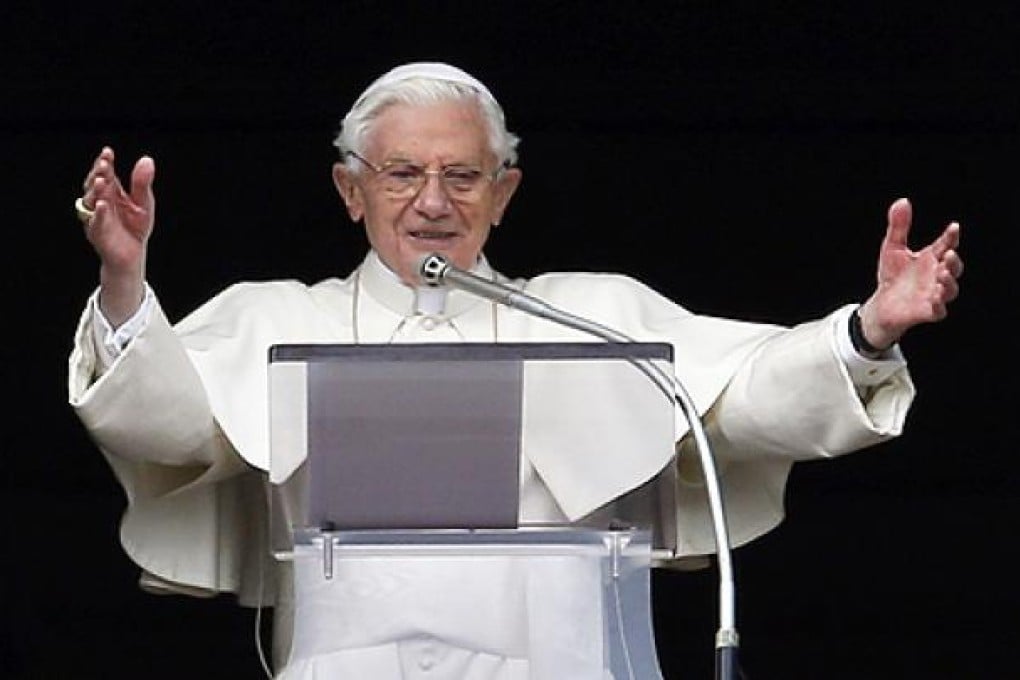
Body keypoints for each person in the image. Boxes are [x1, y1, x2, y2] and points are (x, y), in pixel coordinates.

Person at [68, 62, 963, 678]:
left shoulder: (591, 315)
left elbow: (741, 397)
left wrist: (867, 330)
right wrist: (124, 281)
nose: (432, 201)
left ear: (504, 193)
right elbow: (167, 421)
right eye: (402, 173)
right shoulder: (279, 319)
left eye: (463, 176)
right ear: (350, 190)